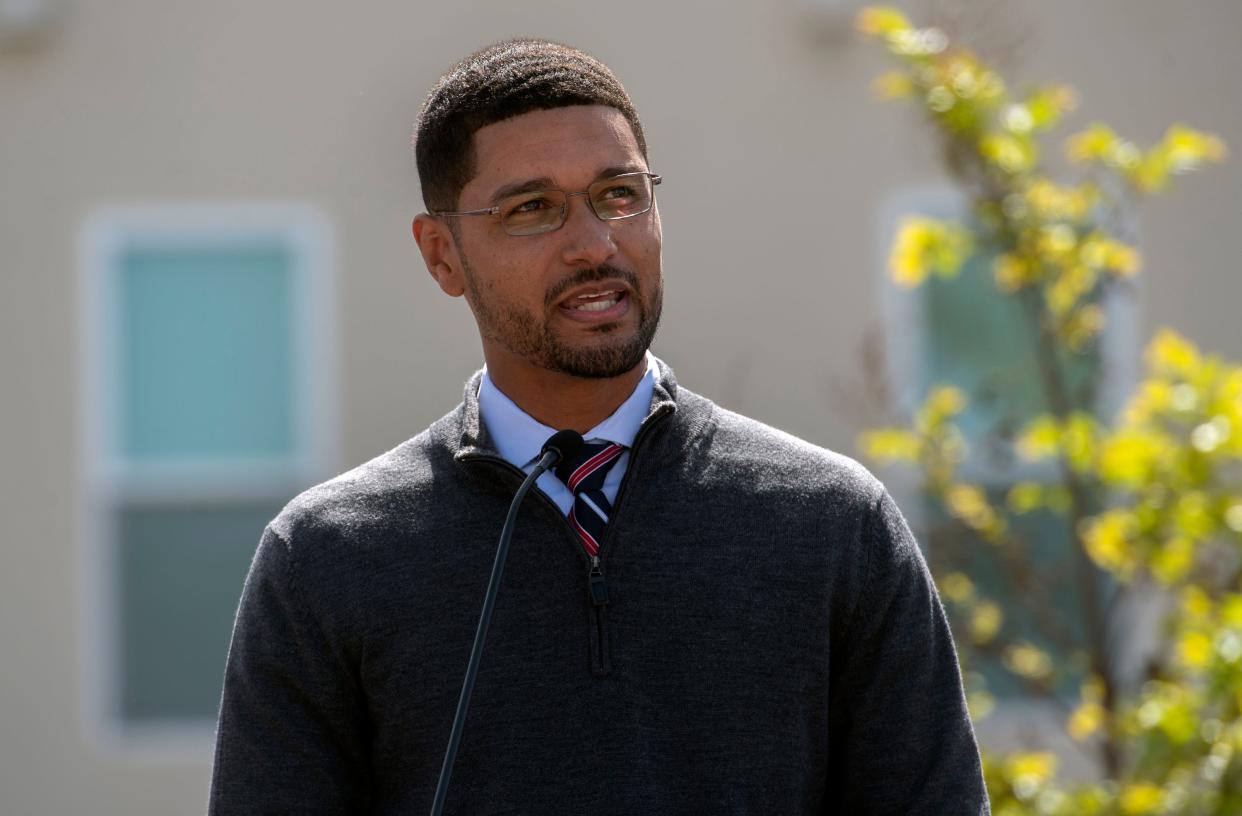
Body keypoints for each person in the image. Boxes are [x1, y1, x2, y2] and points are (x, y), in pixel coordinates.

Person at [209, 38, 990, 815]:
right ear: (442, 254)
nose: (593, 244)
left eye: (619, 195)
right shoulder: (325, 559)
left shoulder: (833, 525)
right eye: (533, 210)